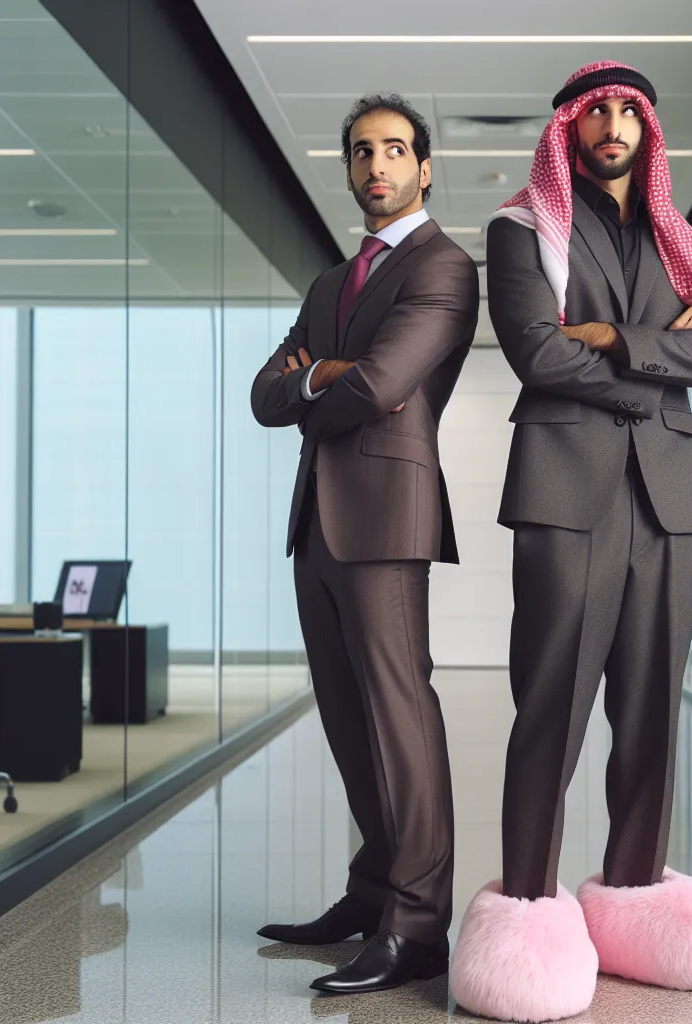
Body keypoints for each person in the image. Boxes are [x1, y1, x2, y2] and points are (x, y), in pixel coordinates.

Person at [449, 61, 692, 1023]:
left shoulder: (683, 239)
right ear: (569, 128)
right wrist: (648, 356)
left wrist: (612, 335)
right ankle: (524, 907)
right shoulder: (524, 228)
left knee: (650, 710)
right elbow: (535, 350)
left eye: (626, 110)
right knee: (550, 703)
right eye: (594, 108)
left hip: (668, 495)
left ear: (648, 128)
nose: (610, 122)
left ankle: (637, 896)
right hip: (566, 488)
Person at [251, 93, 478, 996]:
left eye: (392, 150)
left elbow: (383, 382)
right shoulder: (325, 284)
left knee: (398, 717)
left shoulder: (445, 267)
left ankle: (418, 928)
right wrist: (318, 375)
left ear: (424, 168)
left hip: (385, 516)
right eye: (359, 153)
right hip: (317, 519)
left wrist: (316, 377)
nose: (374, 166)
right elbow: (265, 398)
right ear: (347, 170)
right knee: (349, 722)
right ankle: (374, 890)